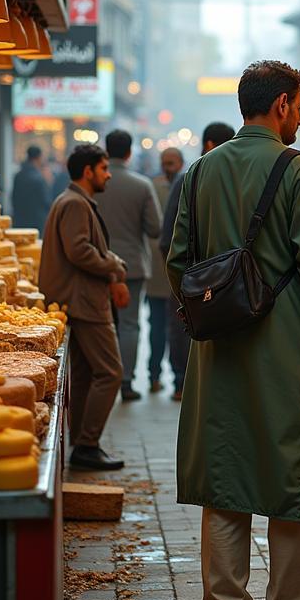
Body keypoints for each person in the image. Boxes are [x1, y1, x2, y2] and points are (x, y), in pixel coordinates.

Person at [166, 60, 300, 600]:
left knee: (223, 486)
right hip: (283, 355)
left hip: (219, 354)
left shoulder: (200, 172)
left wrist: (216, 307)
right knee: (290, 483)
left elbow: (179, 261)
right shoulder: (294, 169)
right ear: (280, 104)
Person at [39, 144, 130, 471]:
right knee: (110, 371)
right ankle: (88, 444)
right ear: (88, 171)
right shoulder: (75, 204)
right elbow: (79, 251)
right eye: (104, 168)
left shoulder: (74, 201)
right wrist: (115, 266)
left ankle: (81, 443)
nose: (108, 174)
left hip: (76, 299)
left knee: (86, 373)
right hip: (84, 301)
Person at [160, 122, 235, 401]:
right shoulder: (191, 178)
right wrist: (183, 286)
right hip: (201, 279)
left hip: (212, 278)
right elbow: (168, 239)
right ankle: (181, 382)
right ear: (210, 146)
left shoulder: (210, 178)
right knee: (184, 331)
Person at [94, 130, 163, 402]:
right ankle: (125, 382)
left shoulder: (92, 184)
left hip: (96, 264)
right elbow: (155, 228)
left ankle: (102, 378)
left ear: (106, 151)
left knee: (101, 323)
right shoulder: (141, 185)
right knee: (129, 325)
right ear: (129, 152)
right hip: (132, 266)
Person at [146, 147, 184, 393]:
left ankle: (178, 378)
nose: (166, 167)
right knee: (156, 325)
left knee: (178, 328)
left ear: (180, 163)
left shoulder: (189, 184)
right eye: (164, 162)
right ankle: (154, 375)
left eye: (171, 163)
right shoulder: (152, 187)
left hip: (179, 274)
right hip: (157, 273)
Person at [11, 145, 52, 233]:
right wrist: (48, 183)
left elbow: (14, 198)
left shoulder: (18, 176)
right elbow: (46, 202)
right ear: (38, 158)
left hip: (20, 221)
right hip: (36, 224)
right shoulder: (39, 178)